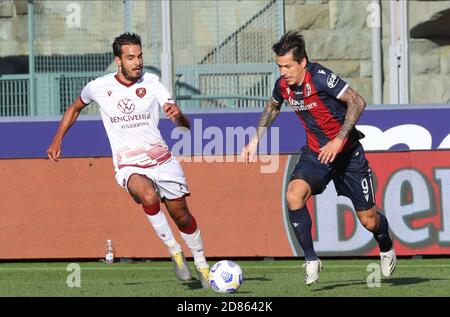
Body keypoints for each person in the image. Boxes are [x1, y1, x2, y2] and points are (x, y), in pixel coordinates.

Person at [47, 32, 210, 288]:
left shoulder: (154, 84)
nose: (137, 62)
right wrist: (57, 139)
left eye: (140, 56)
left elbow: (183, 126)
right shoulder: (99, 87)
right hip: (129, 164)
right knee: (148, 196)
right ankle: (175, 252)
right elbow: (75, 107)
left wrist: (179, 117)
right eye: (131, 57)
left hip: (162, 161)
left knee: (183, 217)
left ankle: (201, 264)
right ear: (118, 61)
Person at [241, 30, 396, 285]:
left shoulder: (321, 77)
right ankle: (311, 259)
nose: (284, 72)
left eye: (288, 66)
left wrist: (339, 139)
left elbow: (357, 102)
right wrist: (256, 139)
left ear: (302, 62)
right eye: (280, 66)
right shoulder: (283, 85)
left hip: (347, 155)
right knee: (294, 195)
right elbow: (272, 106)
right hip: (317, 154)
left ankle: (386, 244)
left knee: (369, 221)